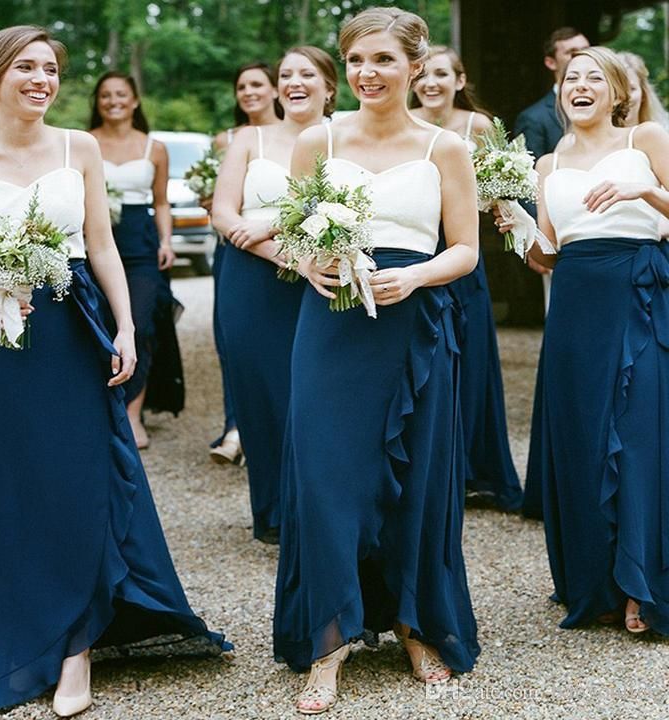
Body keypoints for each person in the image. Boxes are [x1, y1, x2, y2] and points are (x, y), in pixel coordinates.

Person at [0, 26, 229, 715]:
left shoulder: (82, 147)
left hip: (76, 331)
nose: (42, 79)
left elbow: (102, 246)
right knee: (11, 491)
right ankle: (22, 638)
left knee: (79, 483)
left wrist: (127, 327)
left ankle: (76, 647)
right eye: (27, 68)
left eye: (50, 68)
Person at [272, 9, 480, 714]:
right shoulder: (315, 139)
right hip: (331, 328)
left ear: (414, 68)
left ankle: (412, 623)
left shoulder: (444, 147)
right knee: (326, 478)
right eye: (357, 59)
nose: (368, 73)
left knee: (417, 480)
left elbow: (466, 249)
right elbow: (291, 238)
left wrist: (416, 277)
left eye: (385, 60)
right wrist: (311, 264)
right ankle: (328, 641)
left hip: (414, 328)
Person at [500, 47, 669, 634]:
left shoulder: (644, 140)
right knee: (585, 436)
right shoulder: (547, 165)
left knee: (637, 431)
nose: (581, 85)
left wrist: (642, 195)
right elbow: (548, 255)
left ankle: (640, 585)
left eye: (595, 77)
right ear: (560, 92)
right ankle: (595, 580)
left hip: (638, 290)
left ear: (618, 92)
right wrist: (519, 231)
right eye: (572, 77)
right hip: (574, 302)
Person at [211, 47, 337, 544]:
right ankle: (274, 511)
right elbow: (224, 211)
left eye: (308, 74)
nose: (294, 83)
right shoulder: (249, 137)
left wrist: (267, 229)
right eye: (286, 75)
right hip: (251, 281)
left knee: (311, 394)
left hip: (321, 279)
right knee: (260, 393)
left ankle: (318, 509)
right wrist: (271, 249)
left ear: (330, 87)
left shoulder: (341, 139)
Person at [411, 45, 523, 511]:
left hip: (460, 253)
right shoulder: (404, 122)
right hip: (415, 250)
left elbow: (502, 190)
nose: (431, 83)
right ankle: (431, 464)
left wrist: (502, 205)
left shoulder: (476, 127)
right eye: (425, 74)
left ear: (459, 81)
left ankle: (475, 470)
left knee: (471, 361)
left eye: (442, 74)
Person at [516, 27, 590, 520]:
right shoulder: (538, 126)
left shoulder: (643, 134)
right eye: (572, 63)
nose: (582, 73)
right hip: (568, 259)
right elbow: (536, 201)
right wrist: (522, 232)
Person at [89, 71, 181, 450]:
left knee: (139, 324)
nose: (114, 101)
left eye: (121, 94)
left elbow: (161, 202)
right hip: (95, 237)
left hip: (140, 243)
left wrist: (166, 240)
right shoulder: (84, 143)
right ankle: (100, 409)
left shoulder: (154, 148)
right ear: (97, 101)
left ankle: (132, 412)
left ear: (135, 100)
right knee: (100, 323)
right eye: (106, 95)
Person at [210, 63, 282, 465]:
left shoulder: (311, 137)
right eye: (242, 86)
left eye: (257, 84)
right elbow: (223, 202)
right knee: (234, 344)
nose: (248, 92)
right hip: (238, 245)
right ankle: (237, 427)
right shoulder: (229, 139)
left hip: (298, 250)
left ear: (274, 90)